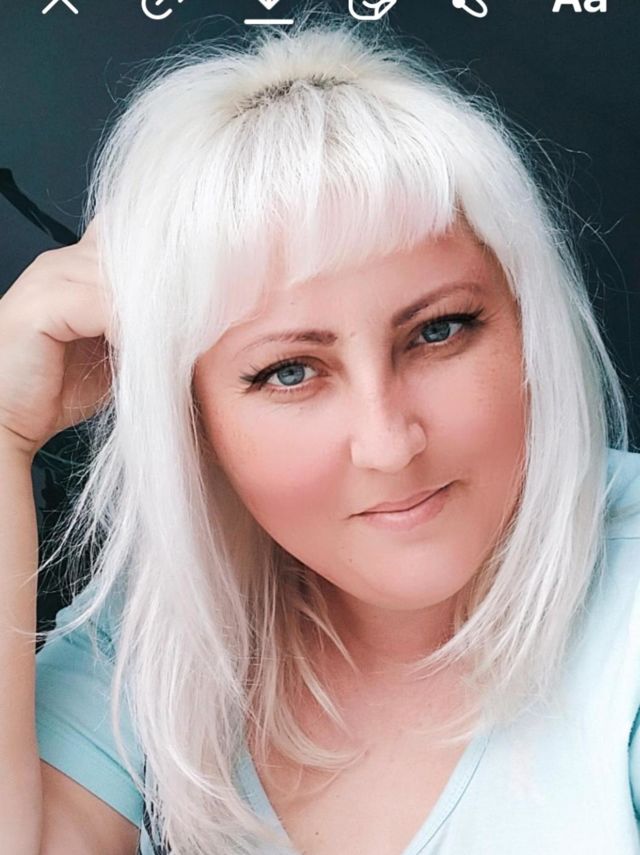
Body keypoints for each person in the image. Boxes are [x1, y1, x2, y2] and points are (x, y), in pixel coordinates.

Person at [1, 9, 639, 855]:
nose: (390, 443)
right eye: (290, 372)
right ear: (194, 414)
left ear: (528, 321)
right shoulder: (157, 632)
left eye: (439, 330)